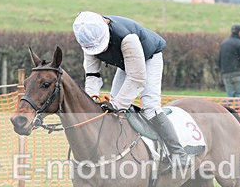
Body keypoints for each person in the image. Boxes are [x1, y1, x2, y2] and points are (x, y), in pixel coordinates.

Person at [72, 11, 191, 171]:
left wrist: (116, 105)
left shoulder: (127, 38)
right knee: (113, 108)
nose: (101, 50)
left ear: (106, 28)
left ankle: (179, 154)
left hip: (149, 57)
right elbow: (92, 75)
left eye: (102, 45)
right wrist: (92, 98)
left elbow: (137, 78)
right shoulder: (88, 40)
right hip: (126, 62)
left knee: (150, 108)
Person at [218, 24, 240, 110]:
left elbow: (219, 58)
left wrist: (222, 69)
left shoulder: (224, 43)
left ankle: (225, 111)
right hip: (238, 73)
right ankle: (238, 114)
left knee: (230, 96)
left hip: (226, 73)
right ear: (239, 32)